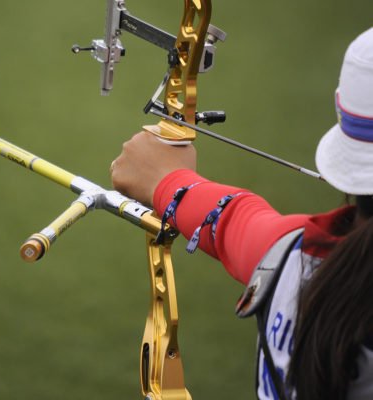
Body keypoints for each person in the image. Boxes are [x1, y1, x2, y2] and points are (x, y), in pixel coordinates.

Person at [110, 28, 373, 400]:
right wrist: (169, 181)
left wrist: (168, 180)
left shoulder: (293, 258)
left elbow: (236, 222)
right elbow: (237, 220)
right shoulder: (297, 256)